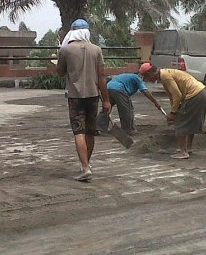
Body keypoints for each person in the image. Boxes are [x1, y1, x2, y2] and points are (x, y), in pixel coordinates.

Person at [56, 19, 111, 181]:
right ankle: (87, 164)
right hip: (93, 96)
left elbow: (60, 72)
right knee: (90, 131)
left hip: (75, 97)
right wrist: (106, 100)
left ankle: (85, 167)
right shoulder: (96, 50)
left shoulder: (65, 50)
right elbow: (102, 77)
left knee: (79, 131)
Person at [139, 63, 206, 159]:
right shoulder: (165, 74)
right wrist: (173, 111)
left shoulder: (165, 77)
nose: (145, 80)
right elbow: (172, 96)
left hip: (195, 95)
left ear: (150, 74)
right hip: (202, 91)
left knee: (181, 122)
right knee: (190, 121)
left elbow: (177, 95)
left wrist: (173, 114)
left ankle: (183, 152)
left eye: (145, 77)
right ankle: (188, 148)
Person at [96, 73, 163, 135]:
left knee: (106, 109)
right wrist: (155, 102)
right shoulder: (138, 78)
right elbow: (144, 91)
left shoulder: (129, 76)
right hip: (119, 89)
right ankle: (128, 129)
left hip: (108, 88)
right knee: (127, 109)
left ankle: (98, 127)